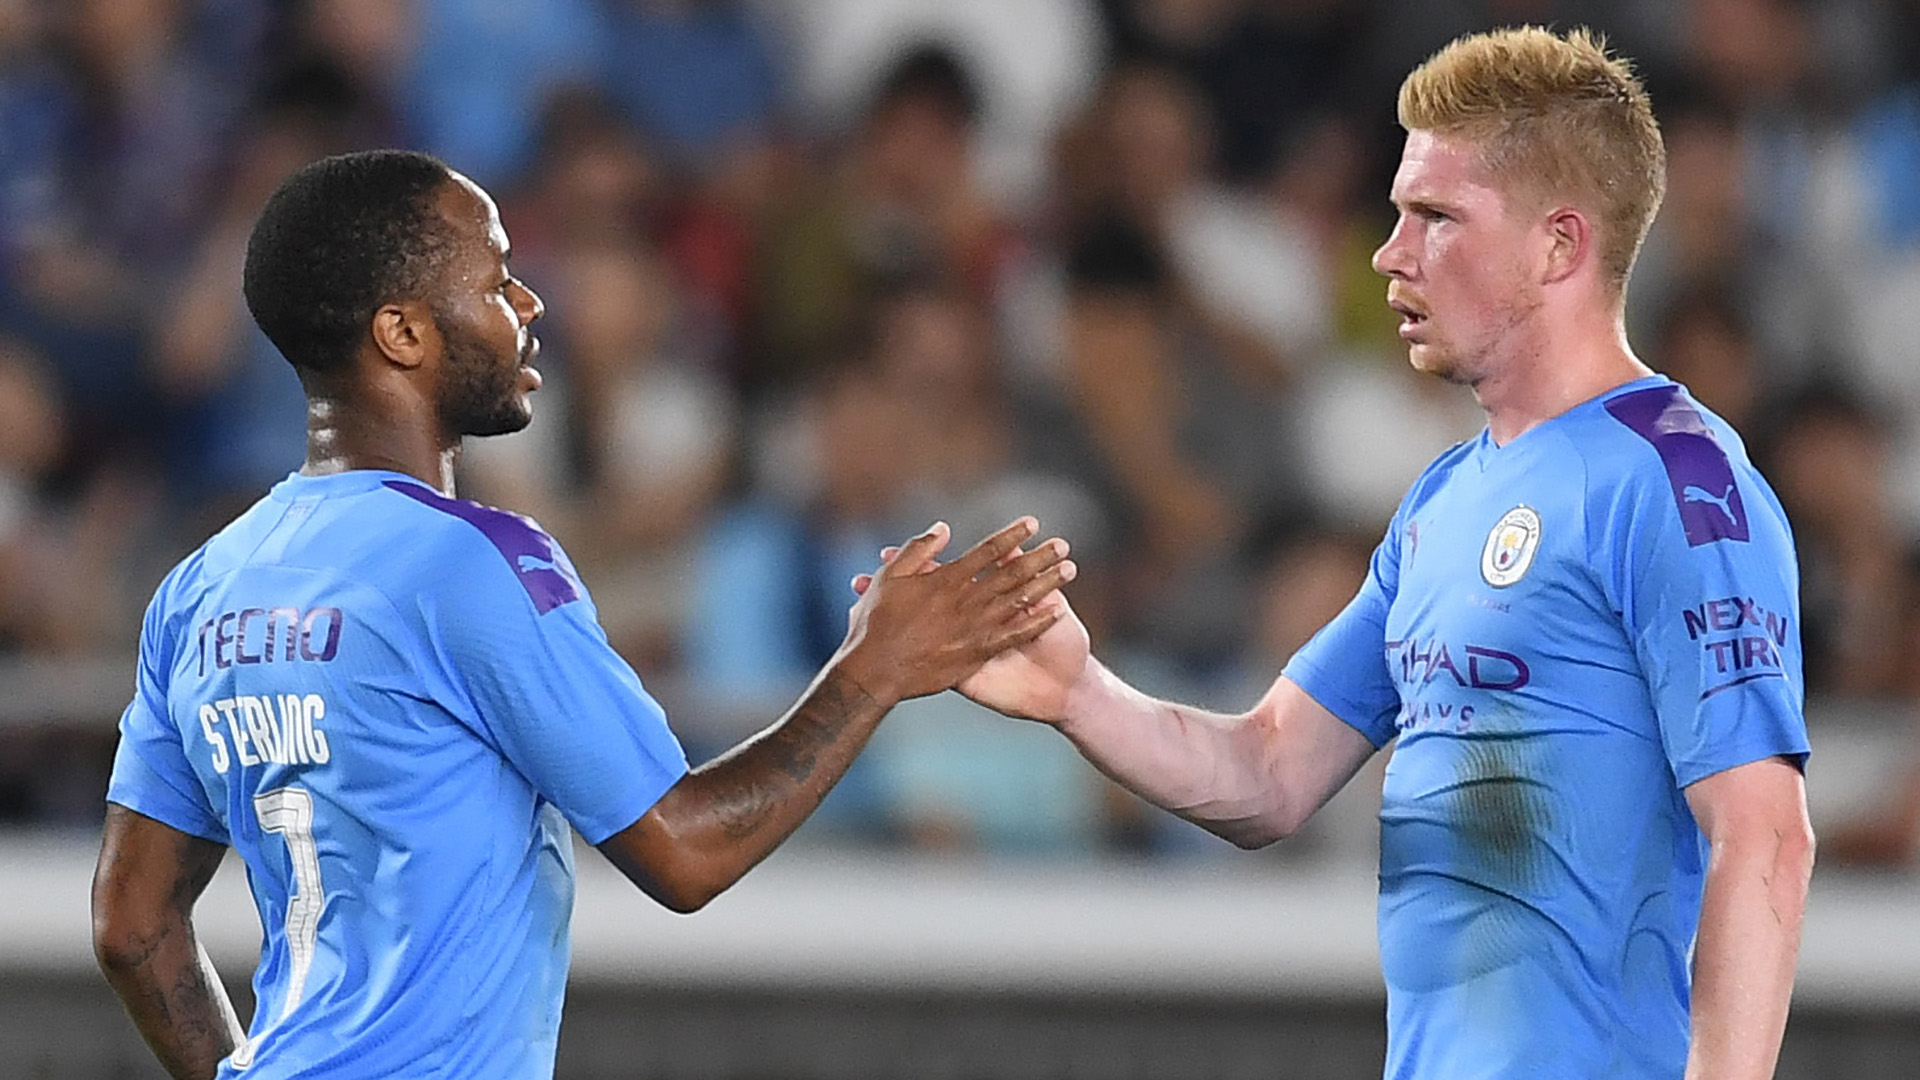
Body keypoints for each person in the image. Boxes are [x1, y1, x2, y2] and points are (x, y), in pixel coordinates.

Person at [906, 26, 1815, 1079]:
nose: (1390, 253)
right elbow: (1269, 773)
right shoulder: (1445, 498)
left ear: (1559, 246)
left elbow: (1765, 836)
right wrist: (1079, 693)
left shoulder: (1675, 478)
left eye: (1436, 216)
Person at [88, 149, 1076, 1080]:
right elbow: (686, 850)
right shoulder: (470, 563)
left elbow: (131, 927)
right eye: (496, 280)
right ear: (402, 334)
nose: (529, 304)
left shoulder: (201, 588)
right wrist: (873, 668)